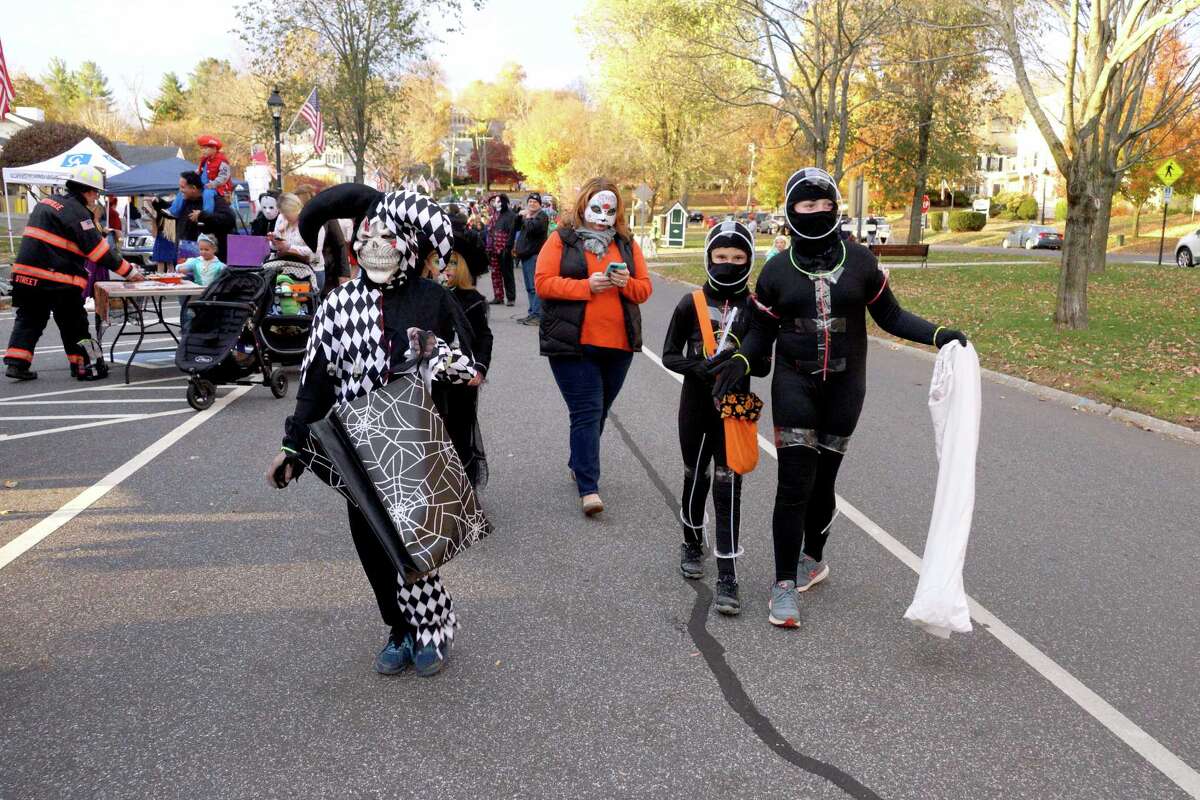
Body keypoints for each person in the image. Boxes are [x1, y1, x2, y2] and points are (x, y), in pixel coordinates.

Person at [710, 167, 967, 628]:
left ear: (836, 208)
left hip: (846, 390)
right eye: (806, 205)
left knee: (823, 482)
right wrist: (742, 361)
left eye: (824, 204)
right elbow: (761, 332)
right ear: (791, 210)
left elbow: (890, 317)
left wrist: (939, 335)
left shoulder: (862, 262)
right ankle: (783, 584)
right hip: (794, 384)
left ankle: (813, 558)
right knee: (794, 483)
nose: (816, 211)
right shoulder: (776, 270)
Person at [266, 184, 478, 678]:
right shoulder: (336, 304)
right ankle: (398, 627)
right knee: (372, 540)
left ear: (408, 244)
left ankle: (432, 624)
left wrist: (438, 354)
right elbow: (315, 383)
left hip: (414, 437)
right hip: (357, 442)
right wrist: (291, 447)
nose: (376, 246)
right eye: (367, 237)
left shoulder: (432, 299)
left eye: (387, 236)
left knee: (413, 538)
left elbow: (470, 368)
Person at [662, 220, 770, 615]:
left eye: (737, 258)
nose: (728, 263)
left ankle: (728, 573)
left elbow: (764, 365)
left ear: (749, 260)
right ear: (708, 257)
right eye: (720, 256)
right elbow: (669, 354)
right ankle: (691, 541)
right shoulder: (689, 303)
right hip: (695, 405)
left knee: (729, 487)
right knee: (696, 477)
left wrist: (739, 362)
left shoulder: (755, 307)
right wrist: (698, 366)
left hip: (735, 408)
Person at [535, 178, 653, 516]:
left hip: (618, 345)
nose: (603, 216)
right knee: (586, 411)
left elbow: (644, 289)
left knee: (598, 411)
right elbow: (543, 283)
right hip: (573, 344)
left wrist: (625, 283)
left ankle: (579, 461)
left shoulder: (626, 243)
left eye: (610, 210)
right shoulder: (562, 239)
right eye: (596, 208)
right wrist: (586, 286)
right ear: (583, 205)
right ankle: (589, 487)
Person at [4, 164, 145, 381]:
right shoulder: (79, 214)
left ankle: (16, 363)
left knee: (29, 319)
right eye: (95, 192)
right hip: (57, 279)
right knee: (75, 323)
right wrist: (130, 272)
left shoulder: (45, 203)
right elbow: (99, 252)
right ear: (87, 191)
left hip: (25, 276)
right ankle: (84, 366)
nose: (96, 197)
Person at [441, 245, 493, 488]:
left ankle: (462, 488)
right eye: (440, 262)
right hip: (431, 378)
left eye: (452, 263)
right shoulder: (424, 296)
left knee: (460, 430)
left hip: (462, 378)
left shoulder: (472, 300)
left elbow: (483, 337)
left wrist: (479, 368)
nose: (446, 268)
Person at [157, 171, 237, 263]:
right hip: (186, 254)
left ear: (193, 188)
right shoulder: (183, 201)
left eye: (183, 187)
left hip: (208, 260)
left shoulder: (214, 200)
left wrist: (202, 215)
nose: (180, 190)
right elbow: (171, 213)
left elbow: (229, 219)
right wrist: (158, 204)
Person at [270, 193, 324, 291]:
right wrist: (274, 242)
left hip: (312, 270)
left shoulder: (314, 223)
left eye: (287, 215)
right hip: (287, 269)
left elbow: (315, 251)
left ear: (295, 210)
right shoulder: (282, 219)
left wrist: (289, 247)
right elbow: (276, 247)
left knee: (305, 298)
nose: (284, 217)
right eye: (282, 214)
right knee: (284, 296)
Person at [515, 193, 549, 325]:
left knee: (535, 287)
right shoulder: (528, 216)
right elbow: (516, 226)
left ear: (540, 204)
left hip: (534, 255)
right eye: (530, 202)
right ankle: (532, 313)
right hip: (526, 255)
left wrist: (528, 216)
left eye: (535, 202)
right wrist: (519, 216)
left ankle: (537, 315)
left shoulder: (542, 216)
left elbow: (532, 229)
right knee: (530, 287)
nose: (532, 204)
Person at [485, 194, 518, 306]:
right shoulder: (494, 214)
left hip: (505, 249)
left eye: (498, 201)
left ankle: (511, 298)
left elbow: (512, 233)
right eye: (494, 201)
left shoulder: (510, 215)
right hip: (493, 249)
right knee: (495, 274)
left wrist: (509, 247)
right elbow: (490, 231)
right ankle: (498, 297)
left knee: (507, 274)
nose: (495, 203)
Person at [196, 134, 234, 213]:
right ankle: (174, 210)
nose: (203, 150)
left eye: (205, 148)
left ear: (214, 148)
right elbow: (201, 171)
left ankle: (207, 214)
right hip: (204, 185)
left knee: (208, 193)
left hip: (218, 188)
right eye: (202, 148)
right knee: (186, 189)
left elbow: (223, 177)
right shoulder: (205, 160)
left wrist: (213, 184)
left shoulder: (222, 160)